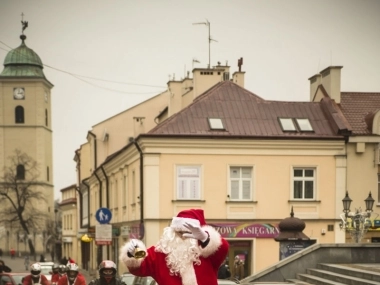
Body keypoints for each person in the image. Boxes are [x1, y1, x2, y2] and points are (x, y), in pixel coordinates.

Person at [119, 209, 229, 285]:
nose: (182, 236)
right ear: (172, 232)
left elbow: (222, 249)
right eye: (178, 232)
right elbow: (140, 266)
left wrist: (206, 239)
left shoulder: (207, 254)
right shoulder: (161, 253)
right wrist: (132, 253)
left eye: (187, 232)